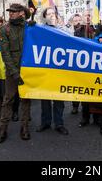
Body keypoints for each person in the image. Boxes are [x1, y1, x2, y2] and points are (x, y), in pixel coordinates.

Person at [0, 3, 32, 143]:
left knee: (25, 99)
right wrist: (14, 72)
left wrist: (34, 25)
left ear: (21, 13)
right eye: (10, 11)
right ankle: (2, 129)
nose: (10, 13)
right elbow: (5, 54)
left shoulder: (29, 28)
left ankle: (25, 127)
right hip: (12, 71)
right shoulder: (5, 29)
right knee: (8, 100)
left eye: (14, 11)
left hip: (28, 69)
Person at [36, 7, 69, 135]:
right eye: (48, 14)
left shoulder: (64, 29)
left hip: (60, 69)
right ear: (45, 17)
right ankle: (46, 122)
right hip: (46, 69)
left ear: (56, 15)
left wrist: (61, 26)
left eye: (53, 13)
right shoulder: (41, 29)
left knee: (59, 98)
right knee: (45, 97)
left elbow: (71, 41)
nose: (51, 15)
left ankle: (59, 123)